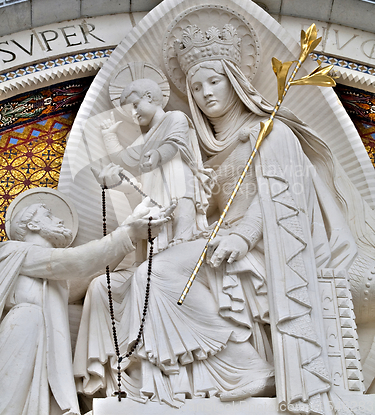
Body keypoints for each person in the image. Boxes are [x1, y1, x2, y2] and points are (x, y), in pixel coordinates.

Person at [74, 24, 374, 414]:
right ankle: (145, 384)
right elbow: (197, 209)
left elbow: (285, 202)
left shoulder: (272, 133)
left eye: (214, 81)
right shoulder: (202, 150)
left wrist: (244, 236)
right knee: (106, 288)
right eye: (197, 88)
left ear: (234, 82)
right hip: (213, 239)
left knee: (156, 275)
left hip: (268, 250)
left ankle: (247, 366)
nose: (205, 93)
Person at [0, 192, 173, 415]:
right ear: (33, 225)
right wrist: (127, 232)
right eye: (49, 215)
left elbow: (92, 271)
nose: (59, 220)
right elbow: (77, 262)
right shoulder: (14, 251)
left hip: (36, 340)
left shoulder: (52, 281)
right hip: (21, 331)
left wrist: (131, 228)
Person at [100, 78, 213, 251]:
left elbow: (175, 142)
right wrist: (109, 136)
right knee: (159, 211)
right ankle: (163, 245)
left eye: (135, 106)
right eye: (129, 112)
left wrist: (158, 154)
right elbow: (124, 159)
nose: (133, 114)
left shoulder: (175, 117)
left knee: (181, 199)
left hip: (178, 174)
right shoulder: (145, 138)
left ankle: (184, 235)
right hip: (154, 184)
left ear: (149, 97)